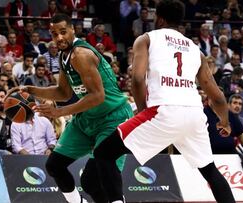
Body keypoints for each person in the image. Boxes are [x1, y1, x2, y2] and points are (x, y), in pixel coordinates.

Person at [94, 1, 235, 202]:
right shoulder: (196, 50)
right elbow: (218, 97)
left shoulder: (147, 39)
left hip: (163, 111)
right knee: (209, 169)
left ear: (159, 18)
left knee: (104, 153)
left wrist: (142, 111)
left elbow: (136, 79)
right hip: (194, 114)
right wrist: (225, 122)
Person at [8, 13, 133, 203]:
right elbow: (63, 92)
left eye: (63, 32)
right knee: (55, 165)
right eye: (54, 34)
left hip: (112, 117)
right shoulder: (63, 56)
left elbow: (98, 96)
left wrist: (60, 112)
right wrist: (30, 89)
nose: (59, 38)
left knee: (96, 178)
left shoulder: (81, 55)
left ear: (73, 30)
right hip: (87, 118)